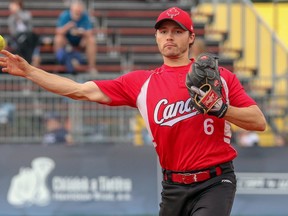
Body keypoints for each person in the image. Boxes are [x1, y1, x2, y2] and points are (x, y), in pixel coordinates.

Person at [0, 6, 266, 216]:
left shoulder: (218, 77)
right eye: (163, 31)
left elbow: (258, 121)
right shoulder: (141, 83)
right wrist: (29, 71)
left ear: (191, 36)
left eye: (177, 30)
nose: (169, 36)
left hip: (215, 182)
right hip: (173, 186)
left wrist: (221, 109)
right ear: (156, 37)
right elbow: (78, 90)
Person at [54, 0, 97, 74]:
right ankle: (59, 63)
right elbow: (58, 31)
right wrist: (67, 26)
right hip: (66, 41)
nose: (78, 13)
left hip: (80, 41)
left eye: (79, 11)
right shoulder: (65, 16)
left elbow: (90, 32)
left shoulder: (85, 16)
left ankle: (91, 67)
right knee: (58, 39)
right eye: (76, 11)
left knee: (91, 40)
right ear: (71, 10)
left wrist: (82, 33)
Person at [7, 0, 41, 67]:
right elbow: (13, 32)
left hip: (28, 37)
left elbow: (28, 24)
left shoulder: (26, 14)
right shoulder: (11, 18)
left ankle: (34, 58)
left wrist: (17, 12)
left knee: (34, 38)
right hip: (18, 39)